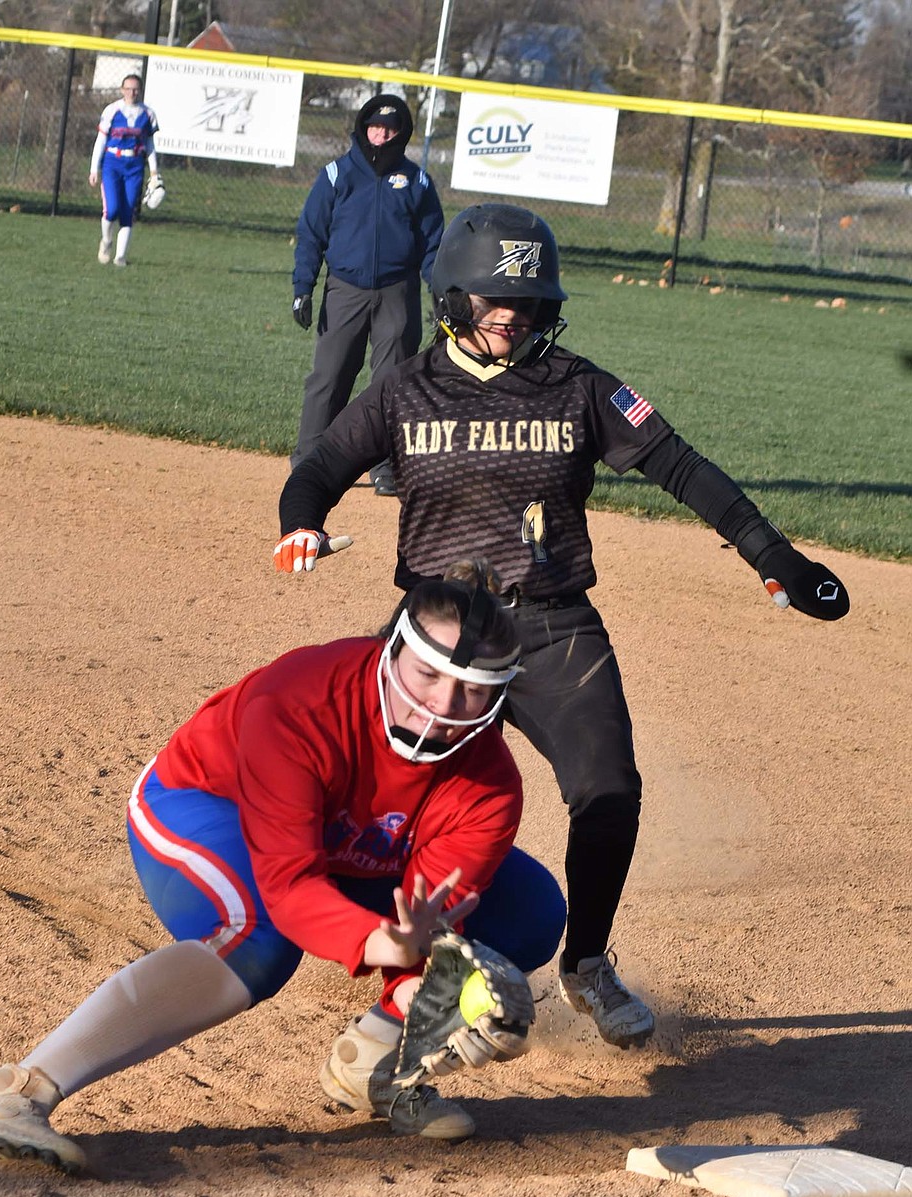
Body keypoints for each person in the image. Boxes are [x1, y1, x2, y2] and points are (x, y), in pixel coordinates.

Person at [275, 202, 850, 1062]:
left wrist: (772, 554)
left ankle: (585, 964)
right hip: (436, 632)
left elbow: (681, 465)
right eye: (494, 304)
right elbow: (319, 465)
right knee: (382, 792)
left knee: (610, 786)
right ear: (452, 298)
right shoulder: (404, 387)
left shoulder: (580, 386)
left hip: (550, 623)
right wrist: (302, 519)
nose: (513, 319)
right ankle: (373, 939)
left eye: (530, 305)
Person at [0, 564, 567, 1173]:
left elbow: (421, 921)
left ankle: (376, 1065)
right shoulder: (298, 701)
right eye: (427, 674)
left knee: (528, 912)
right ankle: (15, 1094)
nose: (443, 704)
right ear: (391, 650)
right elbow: (289, 889)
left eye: (473, 689)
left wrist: (439, 995)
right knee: (260, 939)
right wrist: (384, 945)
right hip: (208, 808)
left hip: (345, 845)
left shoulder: (489, 789)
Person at [290, 93, 445, 496]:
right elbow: (311, 234)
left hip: (398, 290)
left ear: (402, 133)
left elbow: (434, 245)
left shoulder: (417, 181)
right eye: (375, 126)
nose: (381, 134)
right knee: (330, 374)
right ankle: (310, 459)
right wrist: (302, 287)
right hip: (346, 288)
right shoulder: (337, 175)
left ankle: (386, 466)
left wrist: (441, 294)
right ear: (363, 128)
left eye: (390, 129)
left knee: (394, 381)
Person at [89, 72, 160, 269]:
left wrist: (154, 173)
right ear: (122, 90)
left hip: (135, 165)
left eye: (135, 89)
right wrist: (94, 168)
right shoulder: (113, 110)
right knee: (111, 210)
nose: (132, 92)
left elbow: (150, 145)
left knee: (128, 211)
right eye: (128, 88)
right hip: (113, 162)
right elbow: (101, 140)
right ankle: (106, 241)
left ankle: (120, 256)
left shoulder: (148, 114)